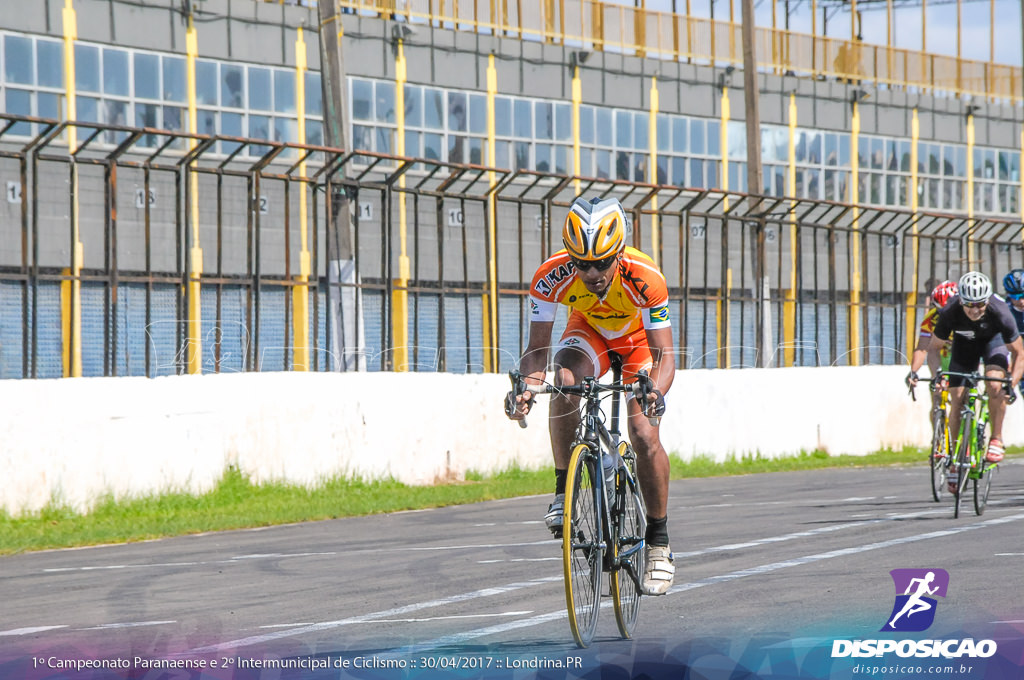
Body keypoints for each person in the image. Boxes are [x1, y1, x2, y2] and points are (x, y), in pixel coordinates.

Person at [505, 196, 676, 596]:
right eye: (583, 264)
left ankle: (659, 543)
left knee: (643, 432)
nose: (593, 272)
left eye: (602, 263)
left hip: (638, 345)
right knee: (564, 382)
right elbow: (536, 354)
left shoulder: (646, 276)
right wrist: (526, 390)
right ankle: (564, 492)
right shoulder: (551, 276)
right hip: (590, 335)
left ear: (618, 253)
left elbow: (664, 357)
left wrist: (656, 392)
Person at [906, 272, 1024, 492]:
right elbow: (932, 349)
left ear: (987, 300)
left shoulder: (1000, 311)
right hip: (964, 346)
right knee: (957, 399)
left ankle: (996, 438)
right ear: (961, 300)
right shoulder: (949, 311)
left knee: (995, 386)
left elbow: (1019, 353)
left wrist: (1012, 383)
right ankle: (956, 456)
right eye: (969, 304)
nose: (975, 309)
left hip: (993, 343)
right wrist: (938, 374)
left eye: (980, 304)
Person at [908, 280, 957, 423]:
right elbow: (922, 348)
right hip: (942, 356)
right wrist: (913, 372)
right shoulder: (931, 318)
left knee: (959, 399)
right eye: (940, 310)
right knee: (937, 397)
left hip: (962, 356)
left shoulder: (968, 315)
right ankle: (937, 439)